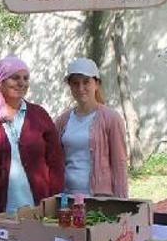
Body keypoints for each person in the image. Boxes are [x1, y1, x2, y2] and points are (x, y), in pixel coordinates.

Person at [0, 55, 64, 227]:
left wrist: (56, 200)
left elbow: (55, 161)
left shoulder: (39, 115)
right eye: (15, 77)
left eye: (25, 78)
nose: (22, 83)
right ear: (0, 81)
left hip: (38, 209)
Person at [55, 58, 128, 197]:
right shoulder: (62, 121)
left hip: (99, 200)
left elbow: (119, 165)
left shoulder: (111, 119)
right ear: (70, 87)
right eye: (75, 83)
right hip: (67, 198)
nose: (81, 88)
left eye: (86, 82)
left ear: (97, 84)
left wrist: (122, 205)